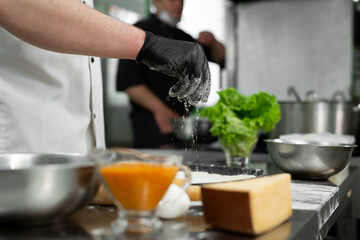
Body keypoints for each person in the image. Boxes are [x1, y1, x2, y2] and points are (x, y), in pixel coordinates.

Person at [0, 0, 211, 153]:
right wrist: (147, 44)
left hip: (80, 151)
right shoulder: (144, 27)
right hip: (22, 143)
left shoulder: (181, 34)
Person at [116, 0, 225, 148]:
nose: (178, 5)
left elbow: (221, 57)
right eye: (172, 0)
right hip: (153, 125)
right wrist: (161, 111)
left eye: (181, 0)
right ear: (156, 1)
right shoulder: (140, 31)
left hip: (182, 126)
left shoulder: (183, 37)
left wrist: (212, 41)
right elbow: (128, 81)